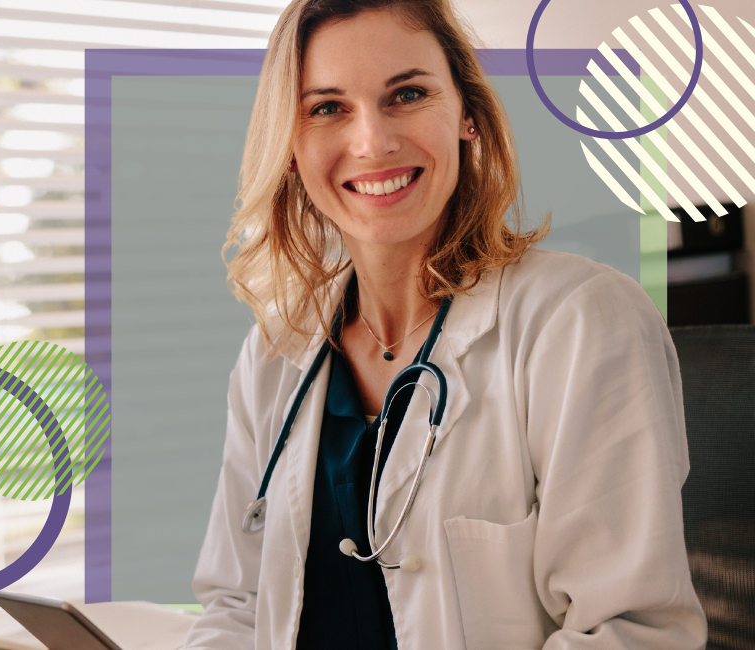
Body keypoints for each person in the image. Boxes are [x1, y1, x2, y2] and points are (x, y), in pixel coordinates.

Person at [182, 1, 708, 649]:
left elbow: (631, 631)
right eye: (326, 107)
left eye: (406, 94)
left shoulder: (577, 320)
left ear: (467, 115)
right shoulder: (274, 354)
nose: (372, 141)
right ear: (290, 148)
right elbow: (236, 605)